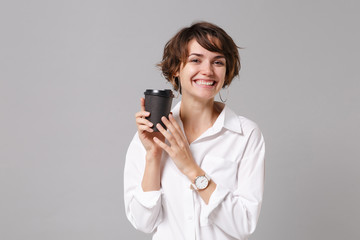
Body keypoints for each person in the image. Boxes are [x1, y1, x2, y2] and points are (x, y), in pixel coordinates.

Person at [124, 21, 265, 240]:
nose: (207, 71)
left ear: (227, 72)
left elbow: (244, 223)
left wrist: (191, 169)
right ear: (175, 70)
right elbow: (143, 222)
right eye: (195, 60)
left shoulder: (246, 135)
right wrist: (153, 156)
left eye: (218, 62)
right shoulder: (150, 135)